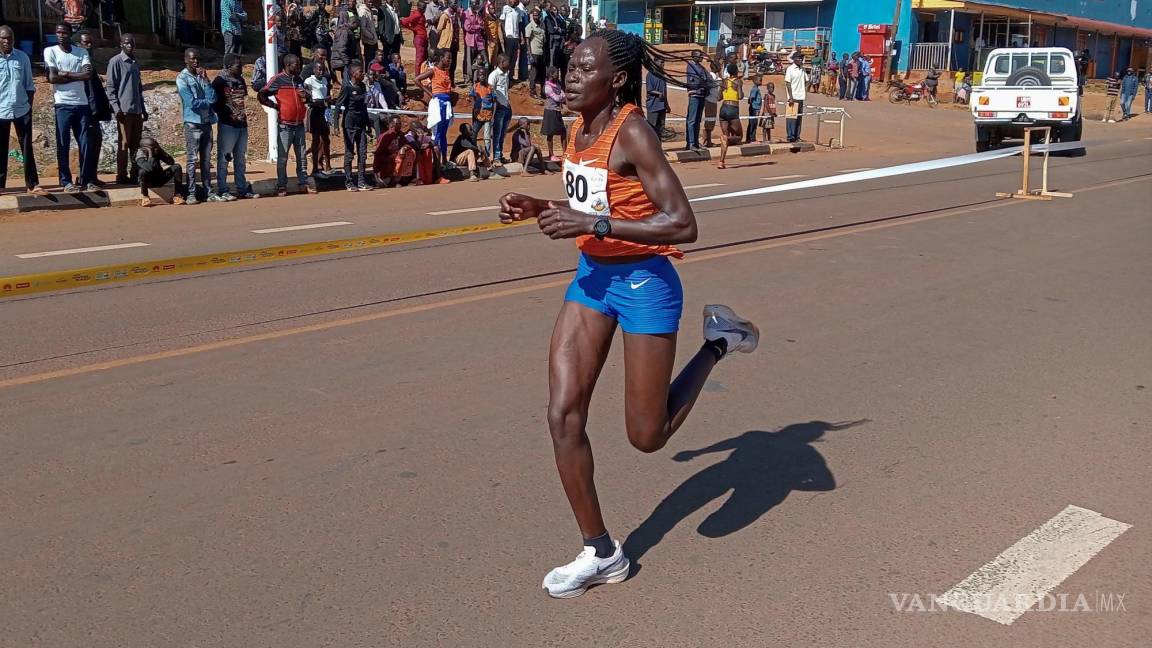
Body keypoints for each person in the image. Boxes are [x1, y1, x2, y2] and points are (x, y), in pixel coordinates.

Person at [497, 29, 759, 600]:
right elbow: (597, 204)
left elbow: (683, 224)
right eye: (568, 66)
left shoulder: (632, 131)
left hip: (645, 284)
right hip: (592, 279)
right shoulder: (578, 126)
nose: (569, 77)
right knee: (562, 415)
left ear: (614, 79)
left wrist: (592, 226)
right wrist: (542, 207)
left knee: (647, 436)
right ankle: (601, 551)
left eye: (582, 69)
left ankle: (718, 341)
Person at [45, 23, 94, 193]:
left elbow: (88, 75)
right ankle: (66, 181)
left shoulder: (81, 52)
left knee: (85, 143)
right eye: (58, 32)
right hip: (62, 104)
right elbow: (52, 77)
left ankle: (86, 180)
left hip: (82, 104)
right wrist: (76, 76)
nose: (61, 35)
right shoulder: (50, 51)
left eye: (64, 32)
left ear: (70, 34)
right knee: (63, 143)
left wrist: (65, 74)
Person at [259, 54, 317, 196]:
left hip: (299, 124)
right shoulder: (278, 80)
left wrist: (306, 97)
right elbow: (262, 94)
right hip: (285, 125)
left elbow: (307, 98)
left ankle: (303, 182)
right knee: (283, 156)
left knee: (302, 156)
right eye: (296, 65)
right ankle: (281, 185)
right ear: (287, 65)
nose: (299, 67)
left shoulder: (298, 80)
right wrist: (274, 106)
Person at [0, 25, 48, 196]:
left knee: (27, 147)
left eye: (9, 38)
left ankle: (32, 184)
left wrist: (29, 108)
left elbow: (29, 85)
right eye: (3, 38)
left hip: (22, 109)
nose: (6, 41)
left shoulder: (22, 58)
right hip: (1, 110)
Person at [176, 48, 218, 203]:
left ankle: (208, 191)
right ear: (186, 60)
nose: (196, 61)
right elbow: (191, 102)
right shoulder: (182, 78)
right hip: (192, 123)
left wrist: (206, 80)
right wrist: (208, 102)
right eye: (192, 59)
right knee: (192, 159)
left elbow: (213, 96)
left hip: (206, 122)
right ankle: (191, 192)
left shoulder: (201, 76)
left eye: (197, 58)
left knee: (206, 160)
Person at [212, 54, 257, 200]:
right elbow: (215, 104)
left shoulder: (241, 80)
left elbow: (241, 100)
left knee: (240, 158)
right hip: (227, 125)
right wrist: (227, 113)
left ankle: (242, 188)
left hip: (242, 124)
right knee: (224, 158)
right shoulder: (219, 82)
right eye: (238, 66)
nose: (242, 68)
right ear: (229, 66)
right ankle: (223, 189)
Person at [106, 33, 146, 186]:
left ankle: (135, 173)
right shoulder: (115, 61)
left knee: (136, 144)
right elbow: (110, 87)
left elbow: (139, 87)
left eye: (132, 44)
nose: (130, 46)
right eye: (127, 43)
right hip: (124, 110)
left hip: (137, 110)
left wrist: (143, 108)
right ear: (121, 44)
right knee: (124, 143)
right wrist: (116, 108)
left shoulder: (135, 61)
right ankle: (121, 175)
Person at [77, 32, 111, 189]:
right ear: (79, 45)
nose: (88, 46)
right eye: (85, 43)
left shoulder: (90, 63)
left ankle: (93, 176)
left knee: (96, 142)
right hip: (87, 112)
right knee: (88, 144)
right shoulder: (80, 64)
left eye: (90, 43)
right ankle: (86, 178)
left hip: (95, 113)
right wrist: (92, 111)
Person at [334, 62, 372, 191]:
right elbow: (338, 105)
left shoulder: (362, 86)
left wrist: (368, 124)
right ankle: (349, 181)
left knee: (363, 153)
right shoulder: (347, 87)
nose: (363, 74)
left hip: (361, 123)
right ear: (354, 74)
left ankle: (361, 181)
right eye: (361, 72)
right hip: (349, 124)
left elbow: (364, 107)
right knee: (349, 153)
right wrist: (335, 125)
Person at [414, 48, 455, 163]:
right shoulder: (433, 70)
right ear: (442, 58)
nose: (450, 61)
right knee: (437, 133)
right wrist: (430, 93)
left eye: (451, 58)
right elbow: (417, 79)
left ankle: (444, 160)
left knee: (443, 133)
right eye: (448, 58)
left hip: (447, 104)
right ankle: (434, 161)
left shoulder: (446, 72)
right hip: (438, 104)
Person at [135, 137, 186, 207]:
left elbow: (171, 162)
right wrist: (150, 154)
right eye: (153, 147)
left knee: (177, 167)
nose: (155, 148)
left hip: (160, 178)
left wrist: (161, 152)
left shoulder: (156, 151)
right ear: (144, 148)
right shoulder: (139, 155)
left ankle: (177, 196)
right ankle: (145, 197)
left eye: (156, 145)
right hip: (148, 182)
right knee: (142, 172)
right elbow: (149, 168)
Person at [304, 61, 332, 178]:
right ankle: (315, 167)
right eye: (319, 69)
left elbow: (326, 95)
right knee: (316, 139)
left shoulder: (325, 80)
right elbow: (309, 99)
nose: (321, 72)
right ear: (314, 70)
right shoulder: (309, 81)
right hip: (314, 111)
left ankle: (328, 165)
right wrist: (322, 100)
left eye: (323, 70)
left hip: (324, 111)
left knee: (326, 139)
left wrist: (327, 101)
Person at [716, 63, 743, 169]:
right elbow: (740, 97)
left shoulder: (724, 82)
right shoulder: (738, 81)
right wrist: (738, 88)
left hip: (723, 108)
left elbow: (718, 98)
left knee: (725, 136)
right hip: (733, 109)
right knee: (739, 137)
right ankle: (727, 138)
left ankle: (721, 161)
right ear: (736, 71)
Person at [488, 53, 512, 163]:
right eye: (507, 62)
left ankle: (500, 154)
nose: (509, 64)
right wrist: (498, 104)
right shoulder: (494, 75)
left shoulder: (506, 74)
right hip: (499, 109)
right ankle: (496, 157)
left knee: (503, 134)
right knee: (497, 134)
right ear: (502, 63)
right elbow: (491, 92)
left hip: (507, 107)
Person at [541, 66, 567, 162]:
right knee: (550, 134)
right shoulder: (547, 87)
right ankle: (551, 154)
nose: (558, 74)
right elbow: (557, 98)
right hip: (550, 111)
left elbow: (563, 97)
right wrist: (561, 96)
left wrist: (561, 96)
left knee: (563, 133)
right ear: (552, 74)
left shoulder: (558, 84)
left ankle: (565, 153)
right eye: (556, 73)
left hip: (557, 111)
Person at [685, 49, 708, 152]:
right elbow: (695, 81)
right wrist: (701, 84)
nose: (701, 58)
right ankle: (690, 143)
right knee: (692, 120)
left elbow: (705, 79)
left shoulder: (701, 67)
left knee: (698, 120)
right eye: (699, 56)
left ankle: (695, 141)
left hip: (701, 95)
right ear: (694, 56)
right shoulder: (691, 67)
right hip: (694, 96)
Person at [470, 65, 495, 161]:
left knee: (487, 137)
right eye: (480, 74)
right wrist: (474, 109)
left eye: (483, 74)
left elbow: (494, 102)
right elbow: (472, 98)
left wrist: (493, 115)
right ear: (478, 76)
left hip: (488, 115)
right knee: (473, 134)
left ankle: (487, 157)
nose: (482, 76)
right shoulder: (475, 86)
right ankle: (475, 154)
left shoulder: (490, 88)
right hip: (478, 115)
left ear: (486, 75)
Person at [783, 52, 807, 143]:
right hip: (793, 97)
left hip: (801, 97)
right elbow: (788, 83)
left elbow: (807, 80)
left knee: (799, 118)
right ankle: (790, 136)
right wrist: (791, 97)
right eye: (799, 58)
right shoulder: (790, 69)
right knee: (791, 118)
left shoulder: (803, 69)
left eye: (802, 58)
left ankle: (797, 136)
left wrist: (804, 89)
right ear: (795, 59)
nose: (801, 60)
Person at [436, 1, 461, 85]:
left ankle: (451, 81)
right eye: (454, 3)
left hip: (454, 43)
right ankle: (443, 82)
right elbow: (439, 29)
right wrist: (442, 40)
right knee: (446, 64)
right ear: (449, 4)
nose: (455, 5)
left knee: (453, 64)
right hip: (446, 44)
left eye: (456, 3)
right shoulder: (445, 15)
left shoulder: (455, 15)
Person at [401, 1, 429, 72]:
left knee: (424, 58)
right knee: (419, 59)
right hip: (419, 38)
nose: (425, 9)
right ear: (419, 7)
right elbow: (404, 21)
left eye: (425, 8)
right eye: (423, 8)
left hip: (423, 37)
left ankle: (423, 75)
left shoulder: (421, 14)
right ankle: (417, 77)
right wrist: (413, 29)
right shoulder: (416, 14)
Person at [525, 7, 546, 99]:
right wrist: (530, 54)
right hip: (534, 52)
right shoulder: (530, 26)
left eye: (537, 15)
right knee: (534, 72)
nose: (535, 17)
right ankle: (532, 91)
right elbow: (527, 40)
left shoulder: (542, 25)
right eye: (534, 15)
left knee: (542, 73)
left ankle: (543, 91)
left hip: (542, 52)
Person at [500, 0, 522, 85]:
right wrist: (504, 34)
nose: (515, 2)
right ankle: (504, 77)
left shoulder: (518, 10)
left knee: (514, 58)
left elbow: (519, 24)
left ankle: (511, 76)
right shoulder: (505, 8)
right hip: (508, 37)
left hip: (516, 37)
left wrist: (520, 37)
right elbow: (502, 22)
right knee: (507, 58)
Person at [463, 0, 487, 80]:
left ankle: (480, 76)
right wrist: (477, 27)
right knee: (469, 61)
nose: (477, 6)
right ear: (471, 4)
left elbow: (482, 24)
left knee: (483, 58)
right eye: (475, 4)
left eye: (477, 4)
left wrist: (478, 25)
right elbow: (468, 28)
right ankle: (469, 78)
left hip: (478, 40)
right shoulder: (466, 13)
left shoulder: (477, 13)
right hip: (470, 41)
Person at [644, 62, 667, 138]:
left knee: (660, 128)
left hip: (662, 105)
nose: (663, 64)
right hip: (653, 106)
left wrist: (666, 104)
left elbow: (665, 91)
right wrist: (659, 93)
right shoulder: (650, 74)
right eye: (661, 62)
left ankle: (659, 146)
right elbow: (650, 89)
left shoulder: (662, 75)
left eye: (663, 62)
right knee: (652, 127)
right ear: (656, 63)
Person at [702, 58, 720, 148]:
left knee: (711, 121)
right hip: (710, 101)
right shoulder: (711, 76)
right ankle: (706, 141)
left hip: (713, 100)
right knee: (709, 121)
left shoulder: (716, 76)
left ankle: (708, 140)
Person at [358, 0, 380, 67]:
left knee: (374, 59)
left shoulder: (369, 10)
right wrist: (371, 36)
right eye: (369, 2)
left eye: (371, 2)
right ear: (365, 2)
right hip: (368, 41)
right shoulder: (363, 11)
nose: (371, 3)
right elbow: (363, 27)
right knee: (369, 60)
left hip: (373, 40)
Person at [745, 73, 762, 144]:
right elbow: (751, 98)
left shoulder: (756, 89)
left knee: (752, 123)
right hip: (754, 108)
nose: (761, 81)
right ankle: (752, 138)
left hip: (755, 108)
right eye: (760, 80)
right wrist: (751, 104)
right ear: (755, 81)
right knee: (753, 123)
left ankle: (749, 138)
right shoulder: (755, 89)